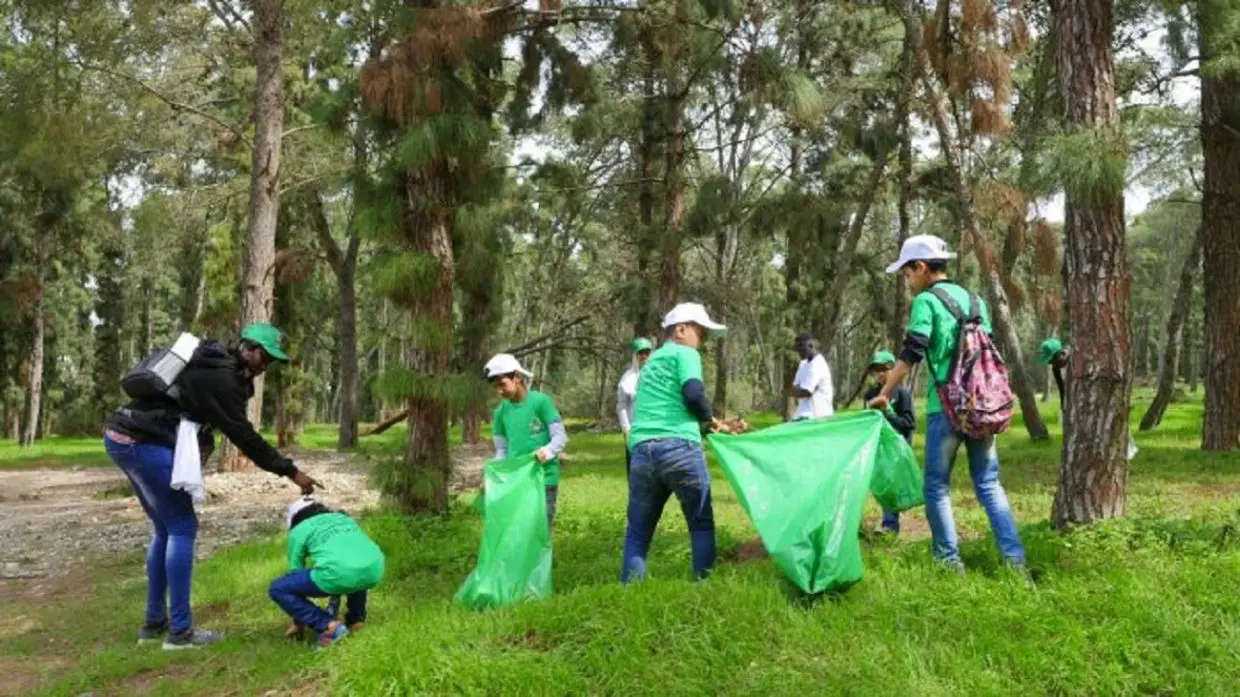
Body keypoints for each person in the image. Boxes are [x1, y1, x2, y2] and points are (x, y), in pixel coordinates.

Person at [103, 323, 322, 649]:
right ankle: (180, 633)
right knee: (181, 525)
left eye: (270, 361)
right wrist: (291, 471)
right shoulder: (222, 379)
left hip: (122, 436)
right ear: (247, 349)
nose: (265, 366)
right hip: (144, 441)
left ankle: (153, 625)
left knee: (165, 528)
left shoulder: (209, 361)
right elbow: (243, 436)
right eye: (264, 357)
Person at [869, 235, 1026, 571]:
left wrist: (885, 394)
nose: (908, 281)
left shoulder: (926, 302)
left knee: (937, 487)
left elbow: (911, 351)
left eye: (908, 273)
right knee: (988, 483)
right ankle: (1015, 561)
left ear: (921, 267)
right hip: (982, 405)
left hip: (947, 409)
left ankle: (948, 562)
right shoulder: (975, 300)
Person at [621, 302, 738, 583]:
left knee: (638, 530)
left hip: (642, 451)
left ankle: (629, 591)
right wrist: (711, 420)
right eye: (702, 333)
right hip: (679, 449)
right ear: (682, 330)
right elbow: (693, 393)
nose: (704, 341)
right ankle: (703, 586)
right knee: (700, 524)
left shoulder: (651, 364)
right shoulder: (685, 353)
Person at [268, 497, 385, 650]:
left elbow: (295, 572)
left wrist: (299, 619)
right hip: (375, 568)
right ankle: (356, 620)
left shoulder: (299, 530)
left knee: (278, 588)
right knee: (352, 567)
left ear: (295, 519)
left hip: (342, 574)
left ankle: (328, 626)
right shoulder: (342, 518)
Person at [484, 353, 569, 530]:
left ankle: (540, 559)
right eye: (495, 387)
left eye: (502, 385)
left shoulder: (541, 402)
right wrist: (493, 476)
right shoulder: (500, 413)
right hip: (517, 480)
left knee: (540, 530)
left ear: (517, 378)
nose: (499, 391)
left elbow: (560, 436)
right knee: (519, 531)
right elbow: (502, 451)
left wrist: (546, 451)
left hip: (544, 478)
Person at [1040, 338, 1138, 460]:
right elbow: (1062, 389)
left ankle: (1123, 451)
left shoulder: (1077, 356)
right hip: (1077, 402)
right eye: (1050, 362)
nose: (1053, 364)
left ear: (1061, 353)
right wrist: (1063, 407)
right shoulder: (1056, 368)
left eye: (1054, 360)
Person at [862, 350, 917, 534]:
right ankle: (886, 522)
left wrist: (889, 412)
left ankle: (890, 525)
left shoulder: (902, 394)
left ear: (893, 370)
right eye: (876, 369)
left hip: (897, 450)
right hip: (878, 449)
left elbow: (909, 424)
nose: (879, 373)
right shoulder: (869, 394)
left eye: (884, 369)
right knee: (881, 485)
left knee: (891, 487)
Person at [617, 338, 654, 476]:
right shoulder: (627, 379)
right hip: (634, 430)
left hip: (654, 429)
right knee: (635, 471)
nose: (644, 356)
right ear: (635, 355)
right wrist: (627, 430)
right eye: (640, 353)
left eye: (647, 352)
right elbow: (621, 406)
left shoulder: (658, 376)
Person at [787, 333, 835, 421]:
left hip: (817, 416)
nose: (799, 350)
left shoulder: (818, 364)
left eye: (801, 347)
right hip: (802, 414)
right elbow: (795, 388)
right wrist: (795, 391)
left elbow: (806, 392)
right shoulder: (803, 364)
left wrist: (793, 391)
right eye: (797, 348)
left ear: (810, 345)